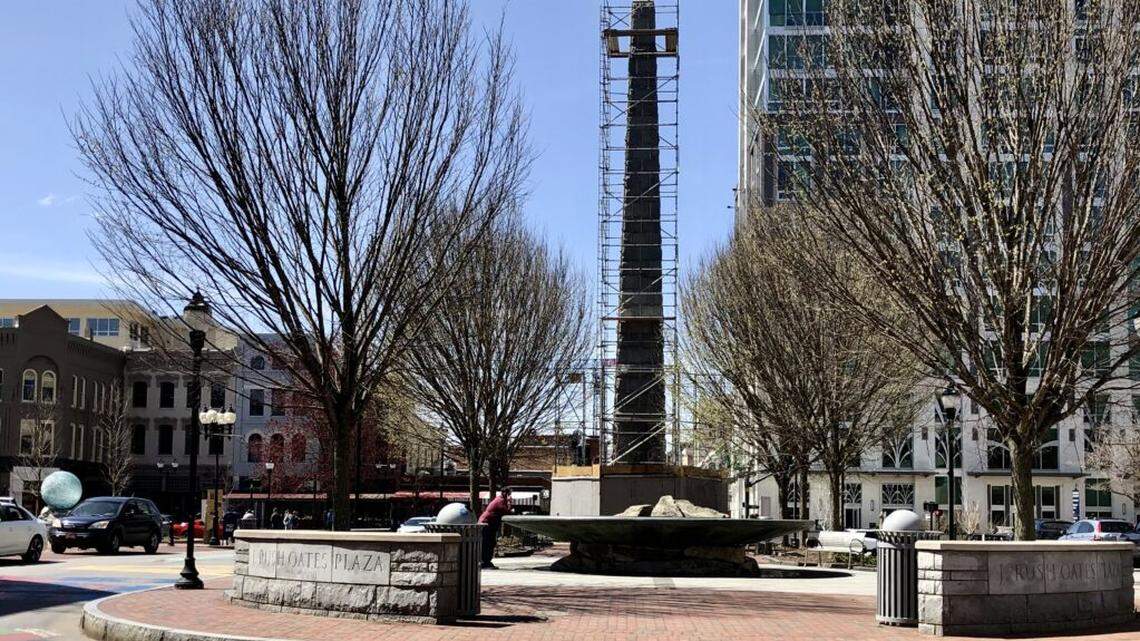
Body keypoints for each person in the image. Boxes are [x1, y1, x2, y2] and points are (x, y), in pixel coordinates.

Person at [477, 487, 512, 569]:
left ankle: (486, 562)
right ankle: (485, 562)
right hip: (486, 524)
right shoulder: (500, 501)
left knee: (490, 543)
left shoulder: (500, 500)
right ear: (504, 493)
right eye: (509, 494)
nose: (510, 496)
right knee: (487, 543)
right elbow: (506, 511)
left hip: (489, 524)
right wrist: (510, 502)